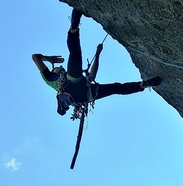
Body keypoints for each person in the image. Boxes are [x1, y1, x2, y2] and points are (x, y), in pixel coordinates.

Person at [32, 9, 162, 116]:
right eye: (58, 67)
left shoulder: (52, 79)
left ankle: (143, 85)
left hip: (85, 96)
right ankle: (74, 28)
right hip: (71, 85)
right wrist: (50, 59)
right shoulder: (51, 78)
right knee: (75, 55)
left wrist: (98, 54)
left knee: (116, 88)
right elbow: (35, 57)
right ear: (54, 70)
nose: (60, 67)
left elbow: (91, 78)